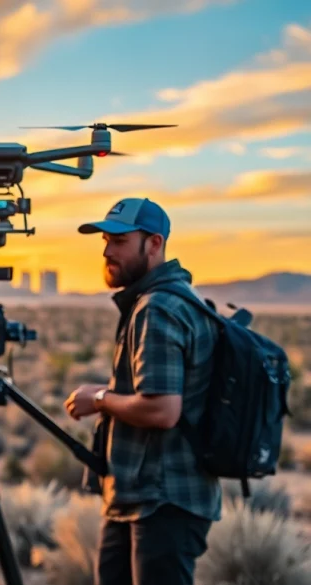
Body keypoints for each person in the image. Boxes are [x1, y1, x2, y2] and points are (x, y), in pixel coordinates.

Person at [63, 197, 221, 585]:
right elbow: (160, 392)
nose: (106, 250)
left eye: (119, 241)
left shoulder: (159, 308)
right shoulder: (162, 301)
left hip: (163, 499)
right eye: (105, 239)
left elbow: (163, 410)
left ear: (153, 244)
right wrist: (111, 393)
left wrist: (100, 400)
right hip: (140, 496)